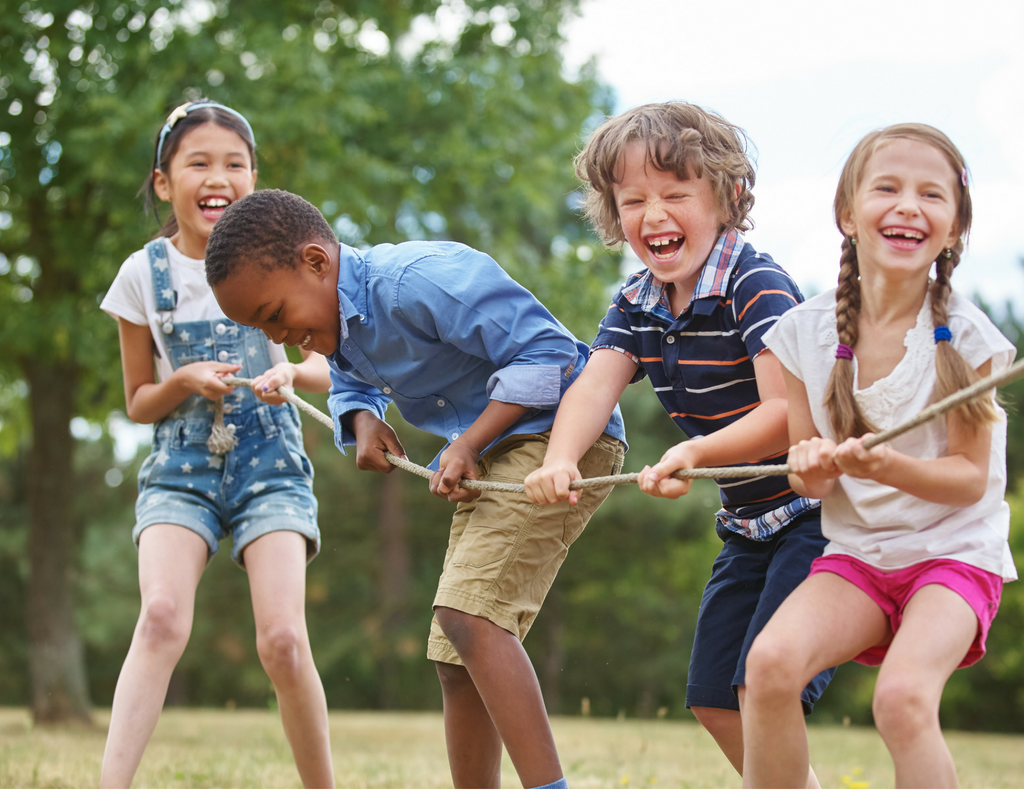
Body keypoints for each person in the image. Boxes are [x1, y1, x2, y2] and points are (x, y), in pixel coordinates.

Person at [204, 188, 627, 789]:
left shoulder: (416, 281)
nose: (284, 337)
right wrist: (362, 421)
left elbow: (551, 352)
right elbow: (352, 382)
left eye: (275, 315)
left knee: (470, 618)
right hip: (494, 451)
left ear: (317, 263)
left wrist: (469, 442)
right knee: (455, 657)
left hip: (559, 438)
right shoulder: (341, 327)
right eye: (261, 329)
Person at [523, 102, 834, 785]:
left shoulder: (755, 286)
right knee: (714, 701)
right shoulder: (636, 302)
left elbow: (784, 412)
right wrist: (560, 458)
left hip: (819, 517)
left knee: (761, 681)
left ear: (727, 197)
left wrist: (693, 453)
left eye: (675, 194)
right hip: (749, 524)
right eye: (633, 199)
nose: (653, 213)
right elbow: (592, 388)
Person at [742, 123, 1017, 788]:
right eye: (887, 188)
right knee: (768, 667)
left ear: (953, 229)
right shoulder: (801, 334)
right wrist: (813, 471)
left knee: (901, 700)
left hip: (952, 557)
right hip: (859, 557)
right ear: (847, 213)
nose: (908, 206)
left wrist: (883, 467)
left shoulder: (972, 341)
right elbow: (810, 475)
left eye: (932, 195)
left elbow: (969, 482)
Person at [98, 101, 334, 788]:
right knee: (162, 617)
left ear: (254, 179)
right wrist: (185, 382)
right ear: (165, 182)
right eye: (198, 162)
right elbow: (139, 400)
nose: (218, 176)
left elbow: (328, 365)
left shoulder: (289, 261)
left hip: (272, 466)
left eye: (234, 163)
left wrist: (291, 369)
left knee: (284, 641)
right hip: (181, 468)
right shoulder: (143, 275)